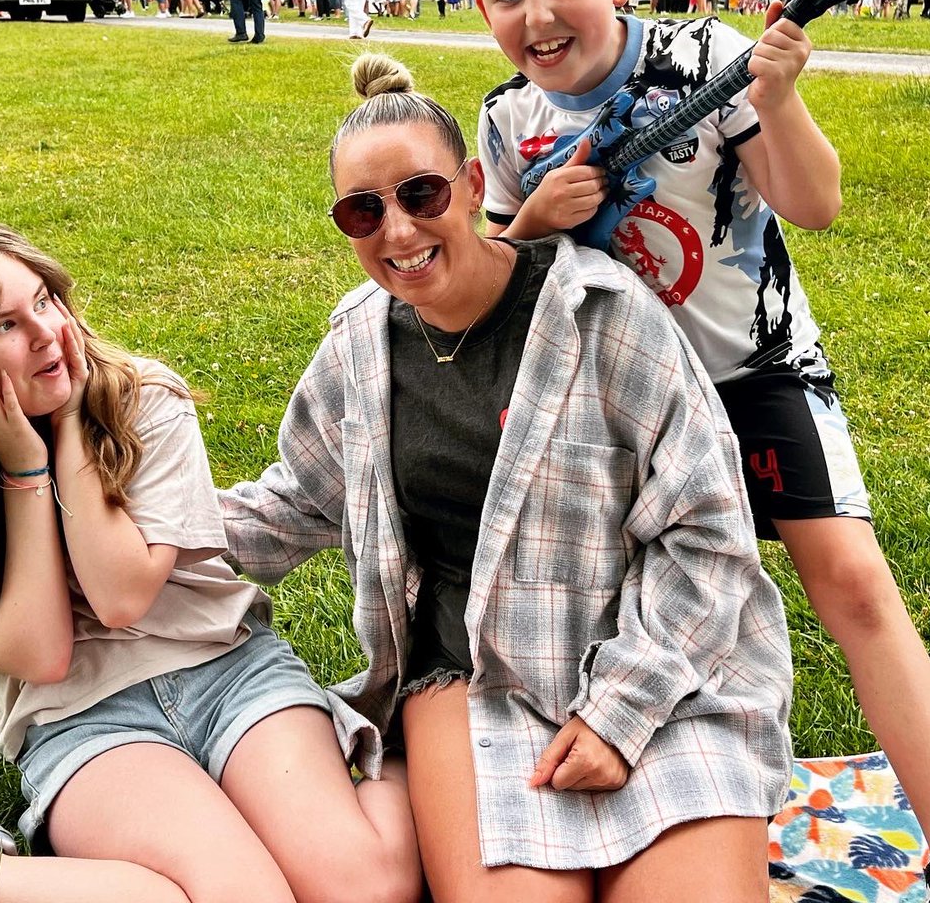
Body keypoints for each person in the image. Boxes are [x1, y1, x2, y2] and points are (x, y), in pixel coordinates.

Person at [463, 0, 930, 903]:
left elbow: (816, 204)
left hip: (753, 369)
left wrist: (779, 97)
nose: (536, 14)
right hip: (617, 411)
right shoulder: (505, 121)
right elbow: (493, 281)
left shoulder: (705, 58)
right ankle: (652, 827)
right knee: (631, 622)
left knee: (849, 578)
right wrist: (531, 223)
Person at [221, 53, 795, 903]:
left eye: (421, 195)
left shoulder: (603, 312)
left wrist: (621, 708)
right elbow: (300, 498)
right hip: (473, 677)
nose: (399, 233)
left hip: (665, 667)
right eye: (362, 211)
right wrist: (138, 525)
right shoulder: (358, 346)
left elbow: (707, 531)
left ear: (471, 181)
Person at [0, 220, 421, 903]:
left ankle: (423, 746)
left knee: (368, 888)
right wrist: (26, 469)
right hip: (83, 714)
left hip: (229, 670)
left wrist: (73, 422)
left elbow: (121, 594)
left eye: (44, 301)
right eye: (4, 327)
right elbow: (44, 655)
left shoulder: (143, 401)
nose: (47, 333)